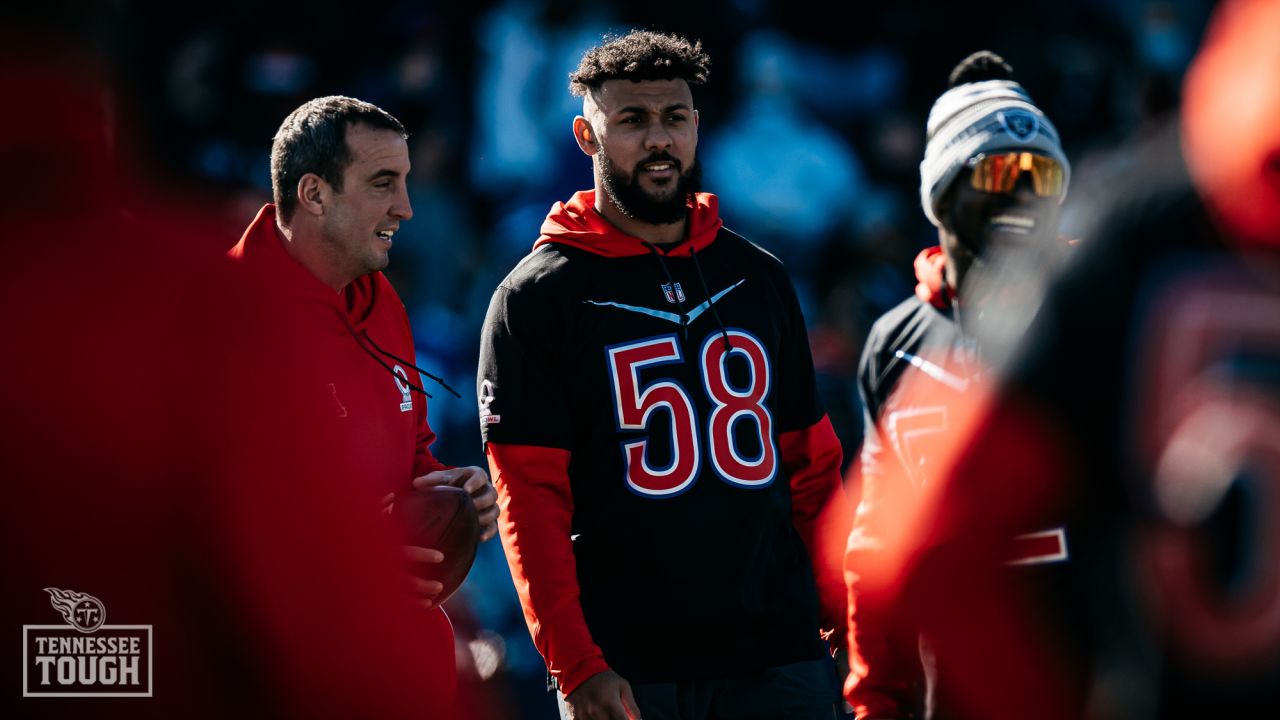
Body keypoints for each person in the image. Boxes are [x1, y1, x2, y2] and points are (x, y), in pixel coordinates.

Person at [476, 30, 851, 720]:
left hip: (779, 657)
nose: (658, 140)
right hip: (630, 668)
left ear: (698, 127)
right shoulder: (533, 299)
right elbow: (528, 500)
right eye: (632, 121)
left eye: (674, 119)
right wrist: (574, 663)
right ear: (587, 136)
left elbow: (812, 468)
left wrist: (844, 615)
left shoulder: (758, 277)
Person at [226, 96, 500, 709]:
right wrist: (351, 564)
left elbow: (411, 457)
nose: (405, 207)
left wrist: (449, 488)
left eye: (404, 181)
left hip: (395, 662)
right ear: (315, 193)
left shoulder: (381, 300)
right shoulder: (224, 324)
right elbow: (196, 534)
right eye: (383, 184)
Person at [843, 52, 1074, 720]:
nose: (1024, 193)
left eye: (1044, 174)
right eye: (1002, 170)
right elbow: (873, 548)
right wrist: (875, 703)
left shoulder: (1097, 307)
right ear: (943, 192)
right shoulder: (897, 343)